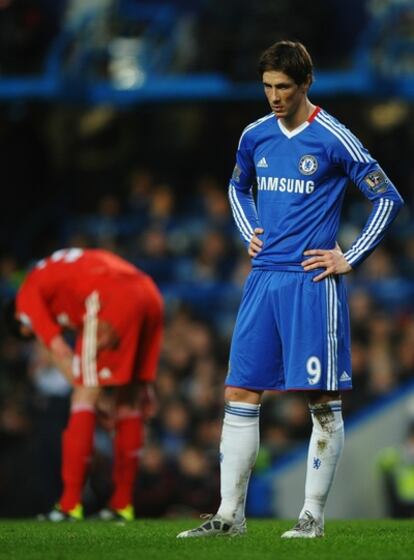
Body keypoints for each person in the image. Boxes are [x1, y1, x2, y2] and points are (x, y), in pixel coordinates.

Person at [177, 40, 404, 539]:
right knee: (240, 391)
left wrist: (349, 255)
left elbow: (386, 198)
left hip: (312, 282)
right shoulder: (255, 135)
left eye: (283, 87)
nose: (274, 97)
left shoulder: (333, 137)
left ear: (305, 84)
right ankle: (229, 516)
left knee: (321, 401)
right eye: (267, 87)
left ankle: (311, 517)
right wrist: (248, 228)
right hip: (263, 280)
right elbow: (237, 188)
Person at [9, 247, 163, 521]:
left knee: (82, 399)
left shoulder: (25, 298)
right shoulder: (58, 280)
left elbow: (60, 351)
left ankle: (69, 506)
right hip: (148, 292)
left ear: (20, 321)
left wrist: (93, 398)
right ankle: (122, 505)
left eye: (29, 333)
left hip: (108, 295)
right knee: (128, 402)